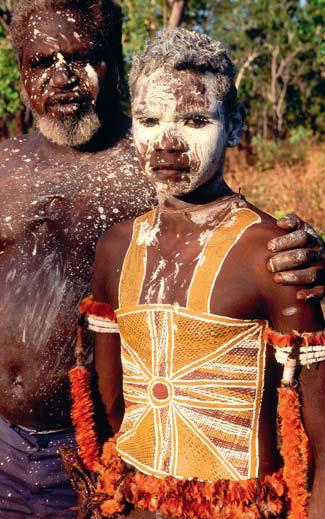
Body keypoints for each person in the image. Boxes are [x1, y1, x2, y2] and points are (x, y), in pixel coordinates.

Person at [0, 0, 323, 516]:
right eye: (42, 62)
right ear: (19, 71)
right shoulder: (4, 167)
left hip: (115, 458)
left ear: (114, 64)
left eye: (84, 57)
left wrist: (302, 249)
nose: (62, 79)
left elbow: (225, 225)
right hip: (14, 449)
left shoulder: (148, 161)